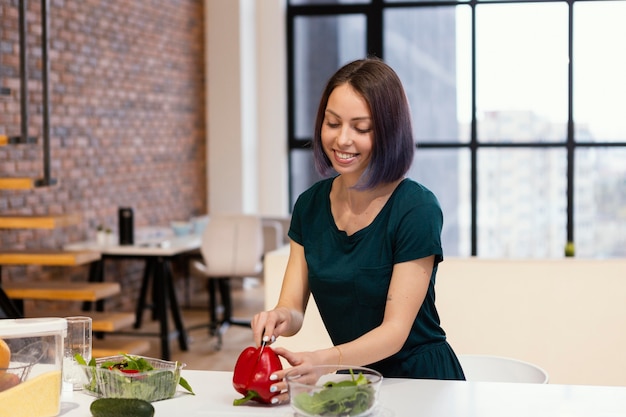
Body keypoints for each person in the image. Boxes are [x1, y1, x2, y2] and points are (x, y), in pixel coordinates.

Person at [251, 57, 465, 404]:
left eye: (360, 127)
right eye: (332, 123)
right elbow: (293, 310)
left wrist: (322, 361)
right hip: (358, 380)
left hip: (420, 382)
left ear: (388, 131)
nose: (342, 139)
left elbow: (394, 333)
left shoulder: (416, 208)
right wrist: (277, 317)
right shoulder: (309, 205)